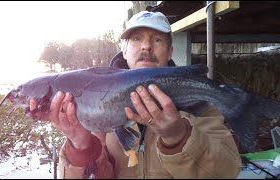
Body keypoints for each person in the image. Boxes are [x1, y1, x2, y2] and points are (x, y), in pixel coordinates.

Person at [29, 11, 242, 178]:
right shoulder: (96, 104)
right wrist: (80, 146)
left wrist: (179, 136)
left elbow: (227, 173)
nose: (146, 46)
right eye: (137, 38)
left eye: (157, 39)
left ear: (169, 52)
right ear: (124, 50)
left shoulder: (202, 103)